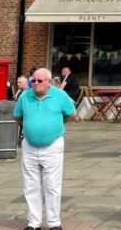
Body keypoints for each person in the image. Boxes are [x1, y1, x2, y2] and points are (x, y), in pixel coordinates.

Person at [15, 67, 76, 230]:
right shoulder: (25, 96)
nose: (35, 83)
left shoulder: (60, 95)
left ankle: (54, 222)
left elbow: (72, 114)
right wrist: (31, 127)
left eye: (39, 81)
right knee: (30, 185)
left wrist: (56, 125)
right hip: (29, 145)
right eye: (33, 80)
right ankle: (33, 223)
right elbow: (17, 116)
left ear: (49, 82)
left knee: (52, 185)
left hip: (53, 145)